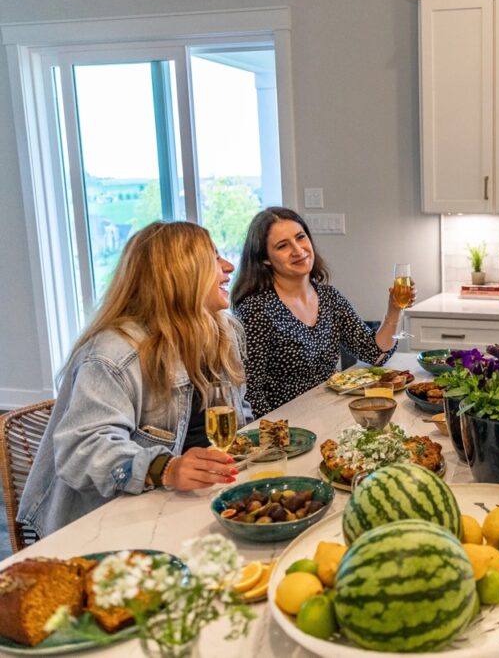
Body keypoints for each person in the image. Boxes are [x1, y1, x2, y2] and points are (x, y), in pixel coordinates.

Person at [18, 222, 250, 538]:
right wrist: (166, 468)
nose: (229, 266)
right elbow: (83, 449)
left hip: (190, 503)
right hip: (102, 524)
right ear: (178, 275)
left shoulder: (225, 333)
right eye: (213, 258)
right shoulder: (114, 353)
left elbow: (239, 409)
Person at [231, 207, 414, 417]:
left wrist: (394, 309)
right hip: (288, 426)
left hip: (331, 412)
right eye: (283, 246)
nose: (298, 250)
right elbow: (250, 393)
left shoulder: (329, 297)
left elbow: (375, 354)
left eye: (301, 237)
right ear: (265, 259)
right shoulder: (256, 309)